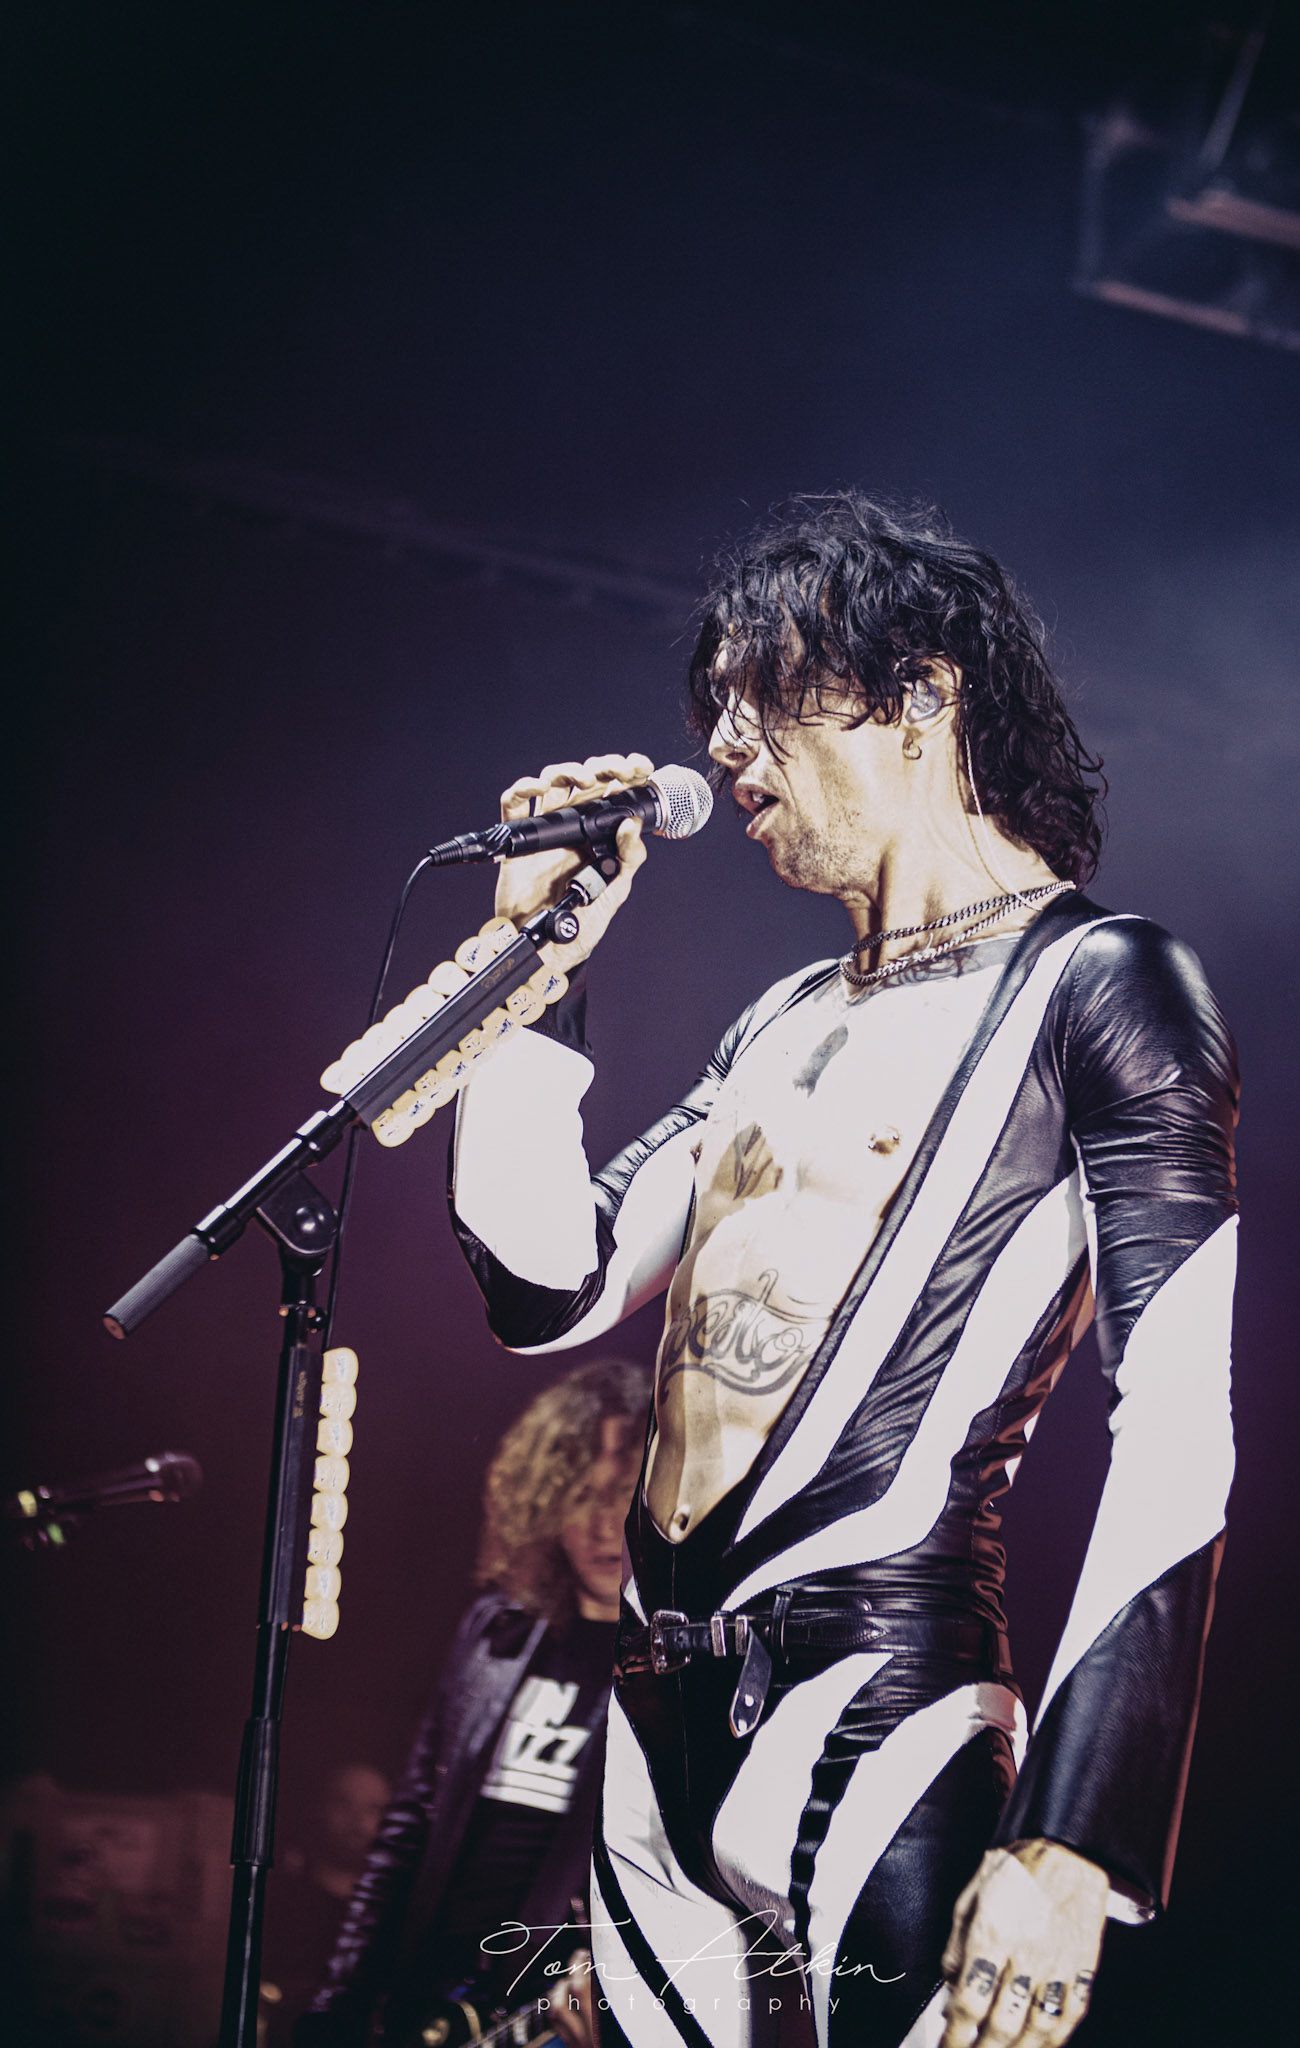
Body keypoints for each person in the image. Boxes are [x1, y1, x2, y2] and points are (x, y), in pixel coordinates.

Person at [447, 492, 1239, 2048]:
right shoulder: (778, 1021)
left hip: (881, 1700)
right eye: (713, 706)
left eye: (764, 692)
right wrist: (538, 973)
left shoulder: (1102, 985)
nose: (723, 745)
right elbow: (543, 1288)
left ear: (923, 692)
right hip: (652, 1723)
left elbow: (1177, 1425)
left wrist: (1074, 1838)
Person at [298, 1355, 650, 2047]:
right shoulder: (494, 1632)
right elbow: (406, 1833)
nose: (603, 1523)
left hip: (549, 2008)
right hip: (429, 1998)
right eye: (580, 1494)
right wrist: (339, 2001)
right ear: (545, 1501)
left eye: (621, 1493)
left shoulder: (675, 1667)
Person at [261, 1764, 393, 2042]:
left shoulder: (396, 1912)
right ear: (318, 1809)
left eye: (373, 1808)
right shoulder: (278, 1904)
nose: (357, 1821)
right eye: (343, 1803)